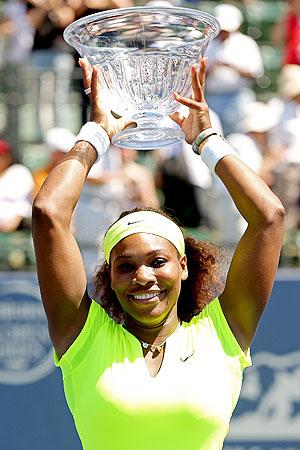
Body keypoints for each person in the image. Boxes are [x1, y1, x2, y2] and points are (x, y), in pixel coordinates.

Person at [32, 58, 285, 450]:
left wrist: (206, 140)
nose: (143, 276)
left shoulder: (223, 333)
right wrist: (98, 132)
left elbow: (269, 217)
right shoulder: (82, 337)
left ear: (183, 266)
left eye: (158, 261)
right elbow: (48, 213)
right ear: (109, 276)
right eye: (126, 265)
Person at [0, 139, 34, 232]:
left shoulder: (19, 172)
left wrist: (18, 218)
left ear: (8, 157)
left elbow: (26, 201)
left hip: (21, 227)